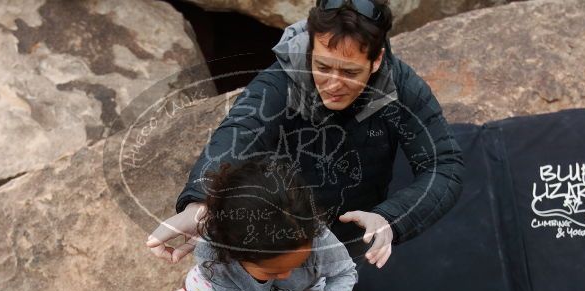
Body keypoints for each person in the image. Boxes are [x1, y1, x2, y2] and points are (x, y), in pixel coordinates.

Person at [148, 0, 464, 273]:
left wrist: (390, 220)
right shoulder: (280, 79)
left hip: (354, 235)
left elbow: (444, 165)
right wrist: (200, 206)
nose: (333, 84)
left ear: (377, 59)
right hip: (277, 234)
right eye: (322, 66)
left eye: (350, 72)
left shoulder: (403, 87)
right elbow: (240, 133)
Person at [159, 159, 374, 291]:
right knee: (204, 285)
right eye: (273, 271)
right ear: (234, 254)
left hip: (309, 281)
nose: (286, 274)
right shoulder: (214, 258)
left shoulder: (317, 237)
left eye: (298, 261)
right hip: (228, 281)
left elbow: (343, 272)